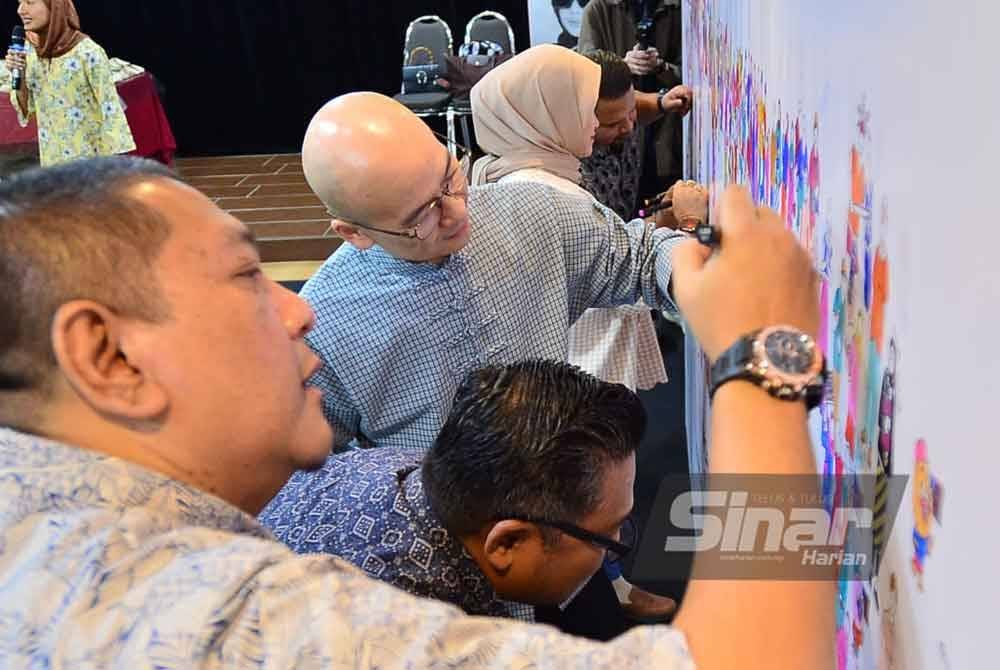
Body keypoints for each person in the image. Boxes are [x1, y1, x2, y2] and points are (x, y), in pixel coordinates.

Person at [0, 156, 835, 668]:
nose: (299, 313)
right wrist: (763, 352)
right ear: (108, 357)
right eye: (249, 278)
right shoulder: (206, 622)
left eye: (449, 180)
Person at [300, 90, 698, 453]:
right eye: (423, 215)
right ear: (354, 233)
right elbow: (310, 467)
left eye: (450, 176)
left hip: (565, 481)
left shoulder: (529, 210)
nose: (457, 213)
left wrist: (693, 277)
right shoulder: (321, 327)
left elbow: (639, 253)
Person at [262, 359, 643, 624]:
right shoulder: (405, 632)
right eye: (608, 534)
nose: (612, 544)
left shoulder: (402, 465)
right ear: (507, 543)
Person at [4, 0, 135, 166]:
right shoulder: (30, 50)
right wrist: (19, 74)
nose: (21, 10)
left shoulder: (87, 53)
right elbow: (27, 108)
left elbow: (112, 115)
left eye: (30, 2)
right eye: (20, 2)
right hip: (52, 164)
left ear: (54, 7)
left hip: (91, 166)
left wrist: (114, 173)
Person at [579, 0, 683, 201]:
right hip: (612, 155)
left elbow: (691, 76)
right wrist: (623, 67)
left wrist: (662, 69)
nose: (627, 126)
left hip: (667, 139)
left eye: (630, 116)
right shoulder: (598, 9)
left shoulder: (678, 9)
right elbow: (586, 80)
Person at [582, 48, 692, 221]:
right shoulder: (575, 184)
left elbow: (630, 103)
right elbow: (616, 244)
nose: (629, 128)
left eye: (632, 111)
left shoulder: (618, 108)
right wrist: (683, 217)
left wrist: (662, 103)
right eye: (613, 124)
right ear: (578, 122)